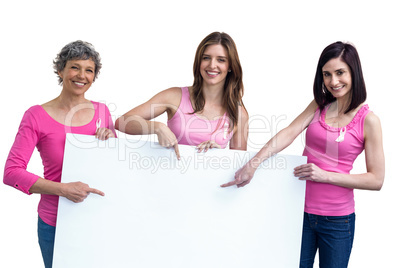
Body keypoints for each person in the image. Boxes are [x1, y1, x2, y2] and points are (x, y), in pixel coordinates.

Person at [221, 41, 385, 267]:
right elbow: (290, 132)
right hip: (298, 209)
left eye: (340, 73)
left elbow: (376, 180)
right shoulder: (320, 104)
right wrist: (254, 163)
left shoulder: (369, 120)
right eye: (327, 74)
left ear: (354, 72)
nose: (333, 81)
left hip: (337, 220)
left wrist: (325, 175)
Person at [3, 40, 116, 268]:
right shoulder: (36, 115)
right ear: (60, 70)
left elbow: (112, 170)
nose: (81, 75)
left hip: (99, 219)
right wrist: (64, 190)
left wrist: (111, 144)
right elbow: (12, 173)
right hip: (55, 222)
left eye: (89, 70)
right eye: (75, 67)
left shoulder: (102, 112)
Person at [115, 32, 248, 155]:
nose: (212, 65)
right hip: (167, 178)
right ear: (198, 62)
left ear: (230, 66)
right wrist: (157, 128)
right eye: (206, 58)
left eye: (221, 60)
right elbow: (122, 122)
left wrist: (219, 154)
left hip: (210, 180)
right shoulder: (175, 96)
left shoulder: (238, 113)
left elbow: (237, 166)